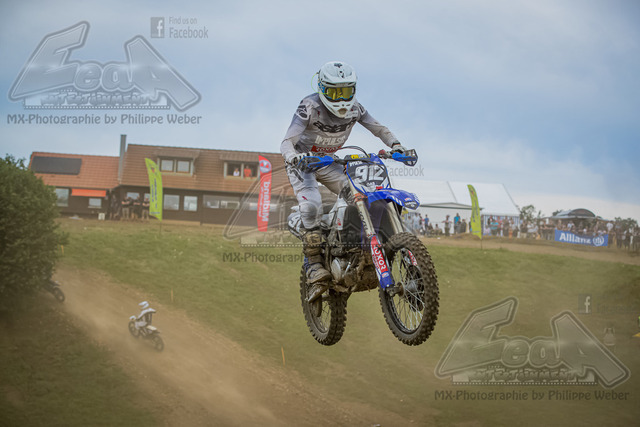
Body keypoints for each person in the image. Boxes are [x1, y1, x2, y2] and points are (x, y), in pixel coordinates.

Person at [281, 61, 408, 297]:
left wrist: (396, 145)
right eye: (334, 92)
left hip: (329, 162)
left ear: (354, 90)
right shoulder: (309, 106)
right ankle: (313, 264)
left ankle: (354, 248)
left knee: (360, 194)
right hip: (303, 163)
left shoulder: (356, 109)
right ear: (322, 88)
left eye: (346, 91)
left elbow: (378, 128)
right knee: (312, 205)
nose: (341, 99)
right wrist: (293, 157)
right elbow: (287, 141)